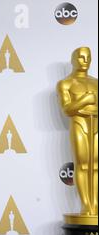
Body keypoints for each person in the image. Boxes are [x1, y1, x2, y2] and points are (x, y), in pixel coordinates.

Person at [57, 47, 97, 217]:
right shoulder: (66, 84)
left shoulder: (96, 82)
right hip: (79, 123)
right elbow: (67, 109)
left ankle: (95, 203)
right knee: (82, 164)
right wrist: (86, 99)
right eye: (80, 57)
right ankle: (86, 205)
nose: (85, 60)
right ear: (73, 60)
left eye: (88, 57)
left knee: (95, 165)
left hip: (96, 124)